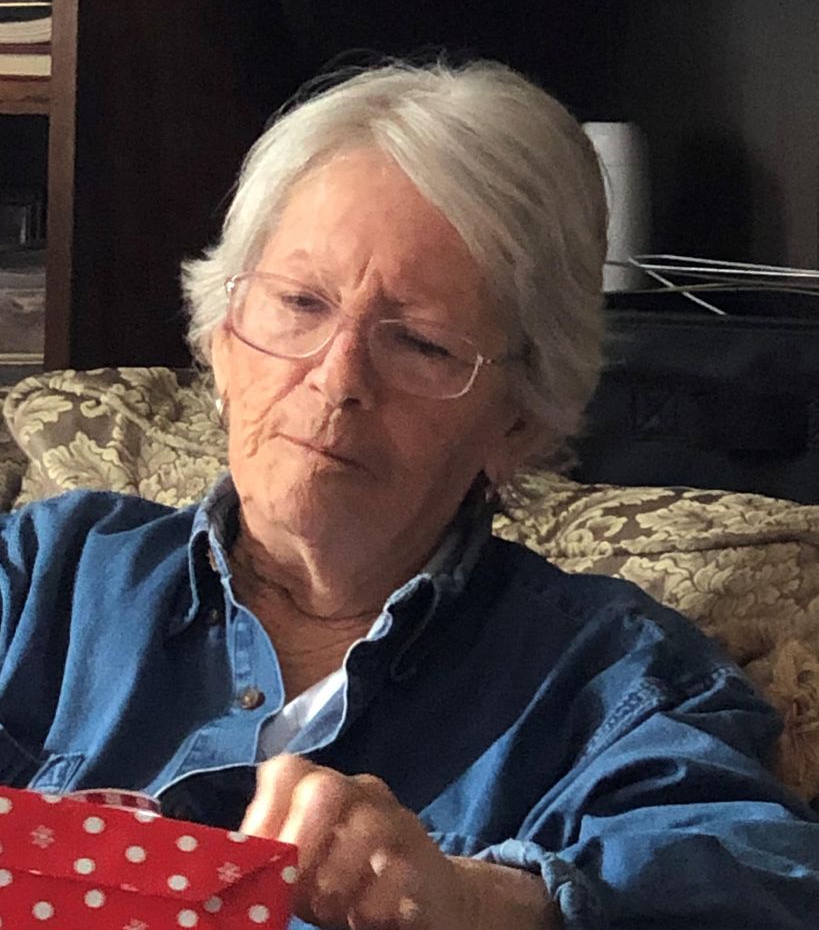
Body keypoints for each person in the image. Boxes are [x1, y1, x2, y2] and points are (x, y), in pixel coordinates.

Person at [0, 59, 817, 930]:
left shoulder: (612, 680)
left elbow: (767, 881)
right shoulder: (46, 577)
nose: (337, 378)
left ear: (517, 420)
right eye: (300, 303)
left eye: (422, 344)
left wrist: (479, 898)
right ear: (223, 339)